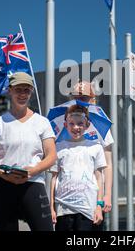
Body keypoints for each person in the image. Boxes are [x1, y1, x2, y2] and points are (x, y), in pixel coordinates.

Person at [0, 72, 57, 231]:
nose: (22, 94)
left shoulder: (42, 122)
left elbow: (51, 156)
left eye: (27, 90)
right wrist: (5, 174)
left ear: (31, 92)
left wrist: (32, 171)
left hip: (33, 183)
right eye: (18, 89)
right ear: (10, 90)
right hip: (2, 185)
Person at [50, 104, 106, 231]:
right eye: (72, 124)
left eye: (80, 123)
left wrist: (99, 205)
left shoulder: (96, 147)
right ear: (65, 125)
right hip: (63, 210)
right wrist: (51, 207)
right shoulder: (58, 147)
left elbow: (99, 178)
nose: (76, 127)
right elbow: (53, 178)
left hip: (88, 209)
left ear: (87, 125)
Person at [69, 81, 113, 215]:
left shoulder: (100, 126)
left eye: (83, 97)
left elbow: (108, 164)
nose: (79, 101)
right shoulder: (65, 123)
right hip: (67, 195)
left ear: (92, 99)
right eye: (75, 97)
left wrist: (107, 195)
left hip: (94, 196)